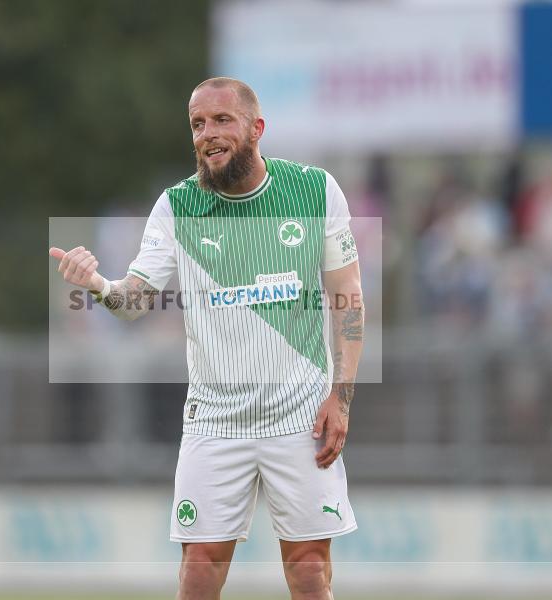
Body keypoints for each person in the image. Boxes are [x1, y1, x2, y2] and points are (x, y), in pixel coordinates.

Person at [50, 77, 363, 599]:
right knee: (198, 569)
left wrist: (343, 396)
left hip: (300, 414)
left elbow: (347, 297)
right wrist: (99, 286)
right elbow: (136, 300)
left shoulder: (315, 190)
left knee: (309, 569)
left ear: (256, 128)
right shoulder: (176, 206)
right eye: (198, 123)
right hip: (215, 419)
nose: (207, 134)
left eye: (222, 120)